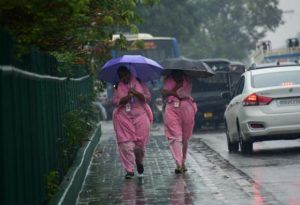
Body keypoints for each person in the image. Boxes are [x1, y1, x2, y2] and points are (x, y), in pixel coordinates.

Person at [112, 66, 153, 179]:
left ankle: (139, 162)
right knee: (125, 144)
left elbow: (147, 97)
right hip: (124, 117)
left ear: (129, 74)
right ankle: (129, 170)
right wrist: (126, 98)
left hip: (140, 115)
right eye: (121, 76)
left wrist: (135, 93)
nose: (124, 78)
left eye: (126, 75)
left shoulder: (139, 81)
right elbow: (115, 101)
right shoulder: (117, 86)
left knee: (139, 145)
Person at [161, 70, 197, 174]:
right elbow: (164, 93)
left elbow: (183, 94)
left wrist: (172, 92)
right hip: (171, 107)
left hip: (186, 107)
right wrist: (174, 90)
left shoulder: (187, 79)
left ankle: (182, 161)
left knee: (184, 138)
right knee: (175, 136)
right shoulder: (168, 79)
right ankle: (179, 164)